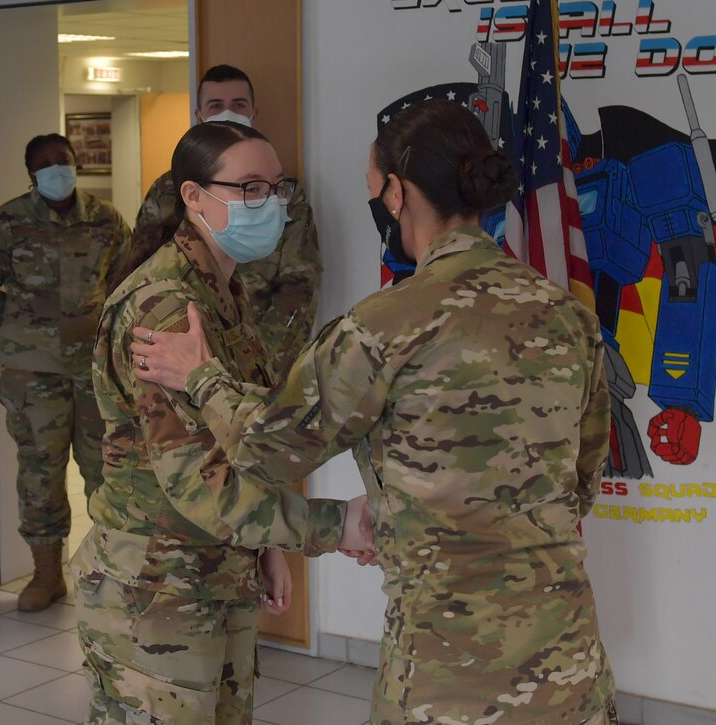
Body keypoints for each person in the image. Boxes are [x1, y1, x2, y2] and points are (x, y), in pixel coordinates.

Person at [130, 100, 619, 724]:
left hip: (447, 671)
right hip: (571, 660)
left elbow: (267, 449)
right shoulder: (568, 314)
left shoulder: (384, 326)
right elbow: (580, 481)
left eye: (373, 189)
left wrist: (199, 376)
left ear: (396, 193)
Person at [73, 120, 372, 724]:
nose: (270, 205)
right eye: (250, 189)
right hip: (158, 588)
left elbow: (239, 441)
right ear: (193, 196)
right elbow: (194, 479)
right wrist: (333, 524)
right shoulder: (162, 307)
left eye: (277, 189)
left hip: (215, 571)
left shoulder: (221, 291)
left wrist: (263, 545)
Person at [0, 133, 132, 612]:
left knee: (107, 470)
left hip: (94, 370)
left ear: (76, 164)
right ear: (31, 175)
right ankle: (46, 573)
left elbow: (126, 280)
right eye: (46, 165)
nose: (57, 170)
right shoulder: (7, 224)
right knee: (41, 471)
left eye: (64, 161)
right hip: (32, 373)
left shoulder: (105, 220)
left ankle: (109, 571)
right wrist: (11, 332)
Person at [132, 64, 321, 379]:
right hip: (193, 350)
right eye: (216, 106)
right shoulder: (164, 296)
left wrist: (262, 362)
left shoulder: (285, 193)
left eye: (238, 105)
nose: (228, 113)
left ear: (253, 113)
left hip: (259, 349)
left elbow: (300, 284)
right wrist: (210, 371)